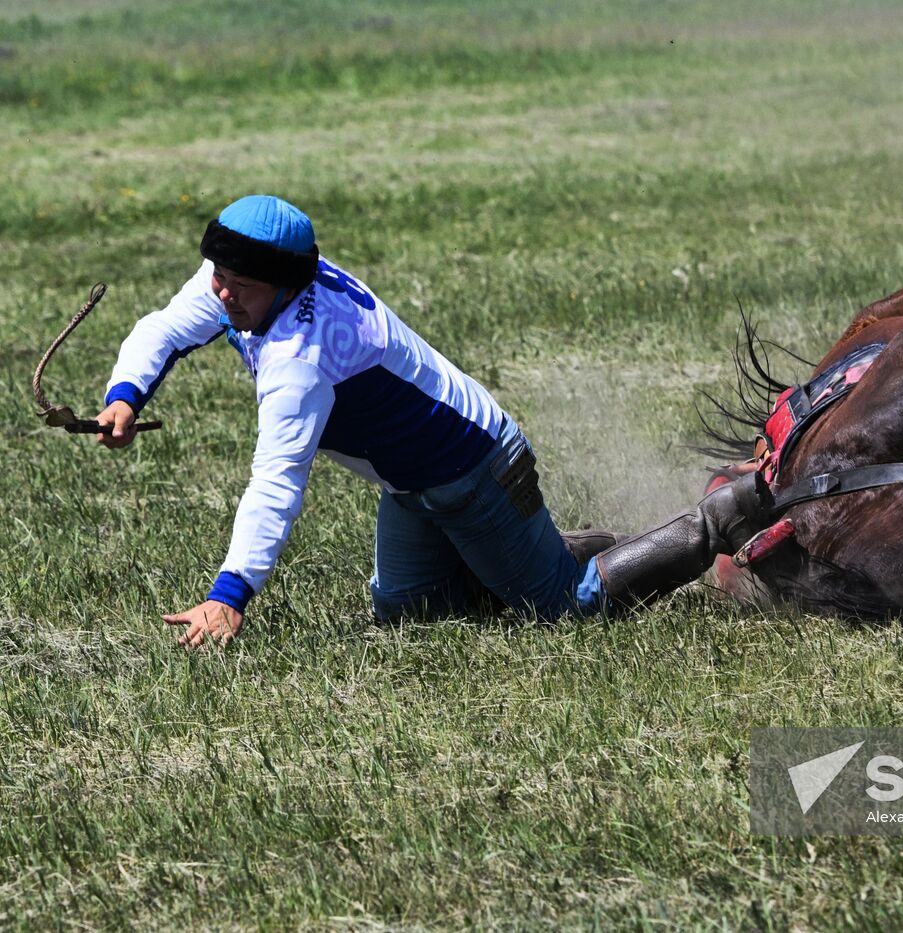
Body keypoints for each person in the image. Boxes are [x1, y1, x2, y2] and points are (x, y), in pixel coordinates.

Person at [98, 194, 649, 646]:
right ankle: (526, 554)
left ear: (286, 285)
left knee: (562, 610)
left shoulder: (300, 358)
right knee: (411, 615)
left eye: (240, 286)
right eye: (220, 275)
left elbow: (277, 481)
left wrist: (230, 594)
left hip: (475, 469)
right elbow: (163, 330)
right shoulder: (253, 278)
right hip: (412, 484)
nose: (223, 293)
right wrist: (125, 398)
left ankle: (698, 528)